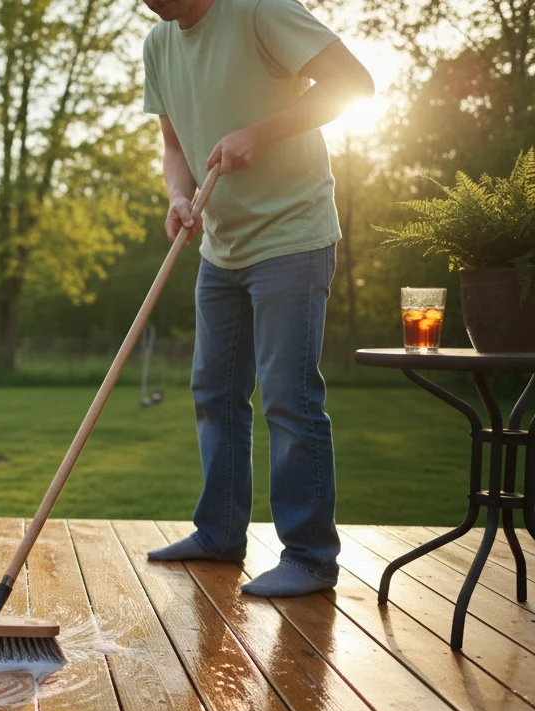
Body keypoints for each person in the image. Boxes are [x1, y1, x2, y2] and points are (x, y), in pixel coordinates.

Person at [139, 0, 374, 596]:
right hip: (221, 245)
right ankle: (218, 533)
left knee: (289, 399)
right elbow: (174, 146)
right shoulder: (159, 45)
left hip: (293, 235)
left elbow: (355, 84)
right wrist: (176, 195)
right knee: (214, 392)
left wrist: (259, 133)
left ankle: (310, 556)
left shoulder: (259, 8)